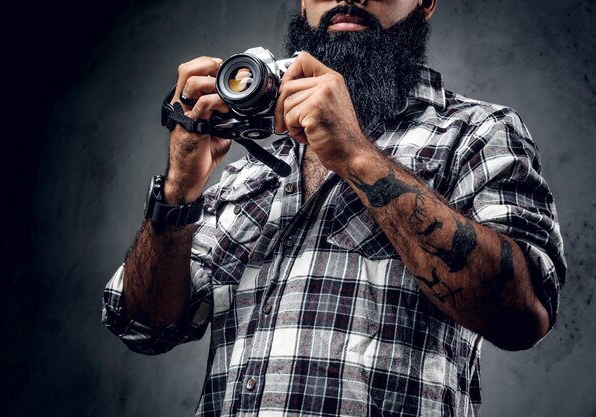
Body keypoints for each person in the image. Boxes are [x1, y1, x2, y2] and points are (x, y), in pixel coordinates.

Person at [102, 0, 566, 415]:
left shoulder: (476, 133)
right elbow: (144, 326)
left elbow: (524, 315)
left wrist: (355, 155)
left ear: (425, 3)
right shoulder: (252, 175)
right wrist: (180, 189)